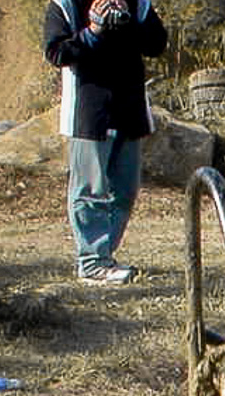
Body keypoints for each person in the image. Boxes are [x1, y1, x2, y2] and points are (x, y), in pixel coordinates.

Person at [44, 0, 167, 285]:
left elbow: (157, 45)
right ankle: (92, 262)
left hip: (130, 111)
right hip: (88, 114)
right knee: (89, 191)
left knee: (125, 191)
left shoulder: (138, 4)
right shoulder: (64, 5)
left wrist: (129, 22)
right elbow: (56, 52)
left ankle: (103, 256)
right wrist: (94, 29)